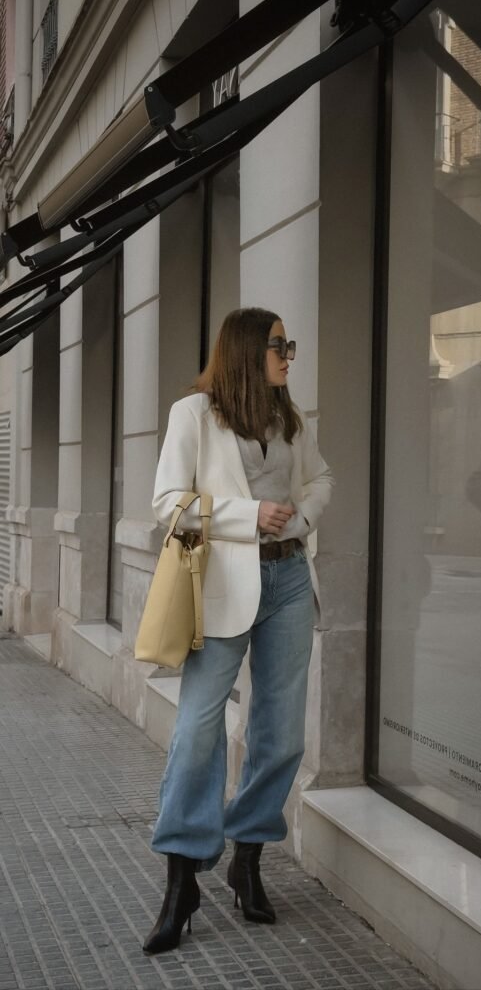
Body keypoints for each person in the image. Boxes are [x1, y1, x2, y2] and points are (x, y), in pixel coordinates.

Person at [143, 307, 334, 955]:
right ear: (249, 350)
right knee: (198, 728)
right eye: (281, 346)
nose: (289, 356)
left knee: (279, 734)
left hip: (285, 585)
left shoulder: (288, 420)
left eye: (290, 346)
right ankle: (181, 879)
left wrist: (299, 520)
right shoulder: (193, 415)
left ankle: (246, 858)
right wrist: (248, 515)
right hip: (223, 586)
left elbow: (321, 479)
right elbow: (168, 502)